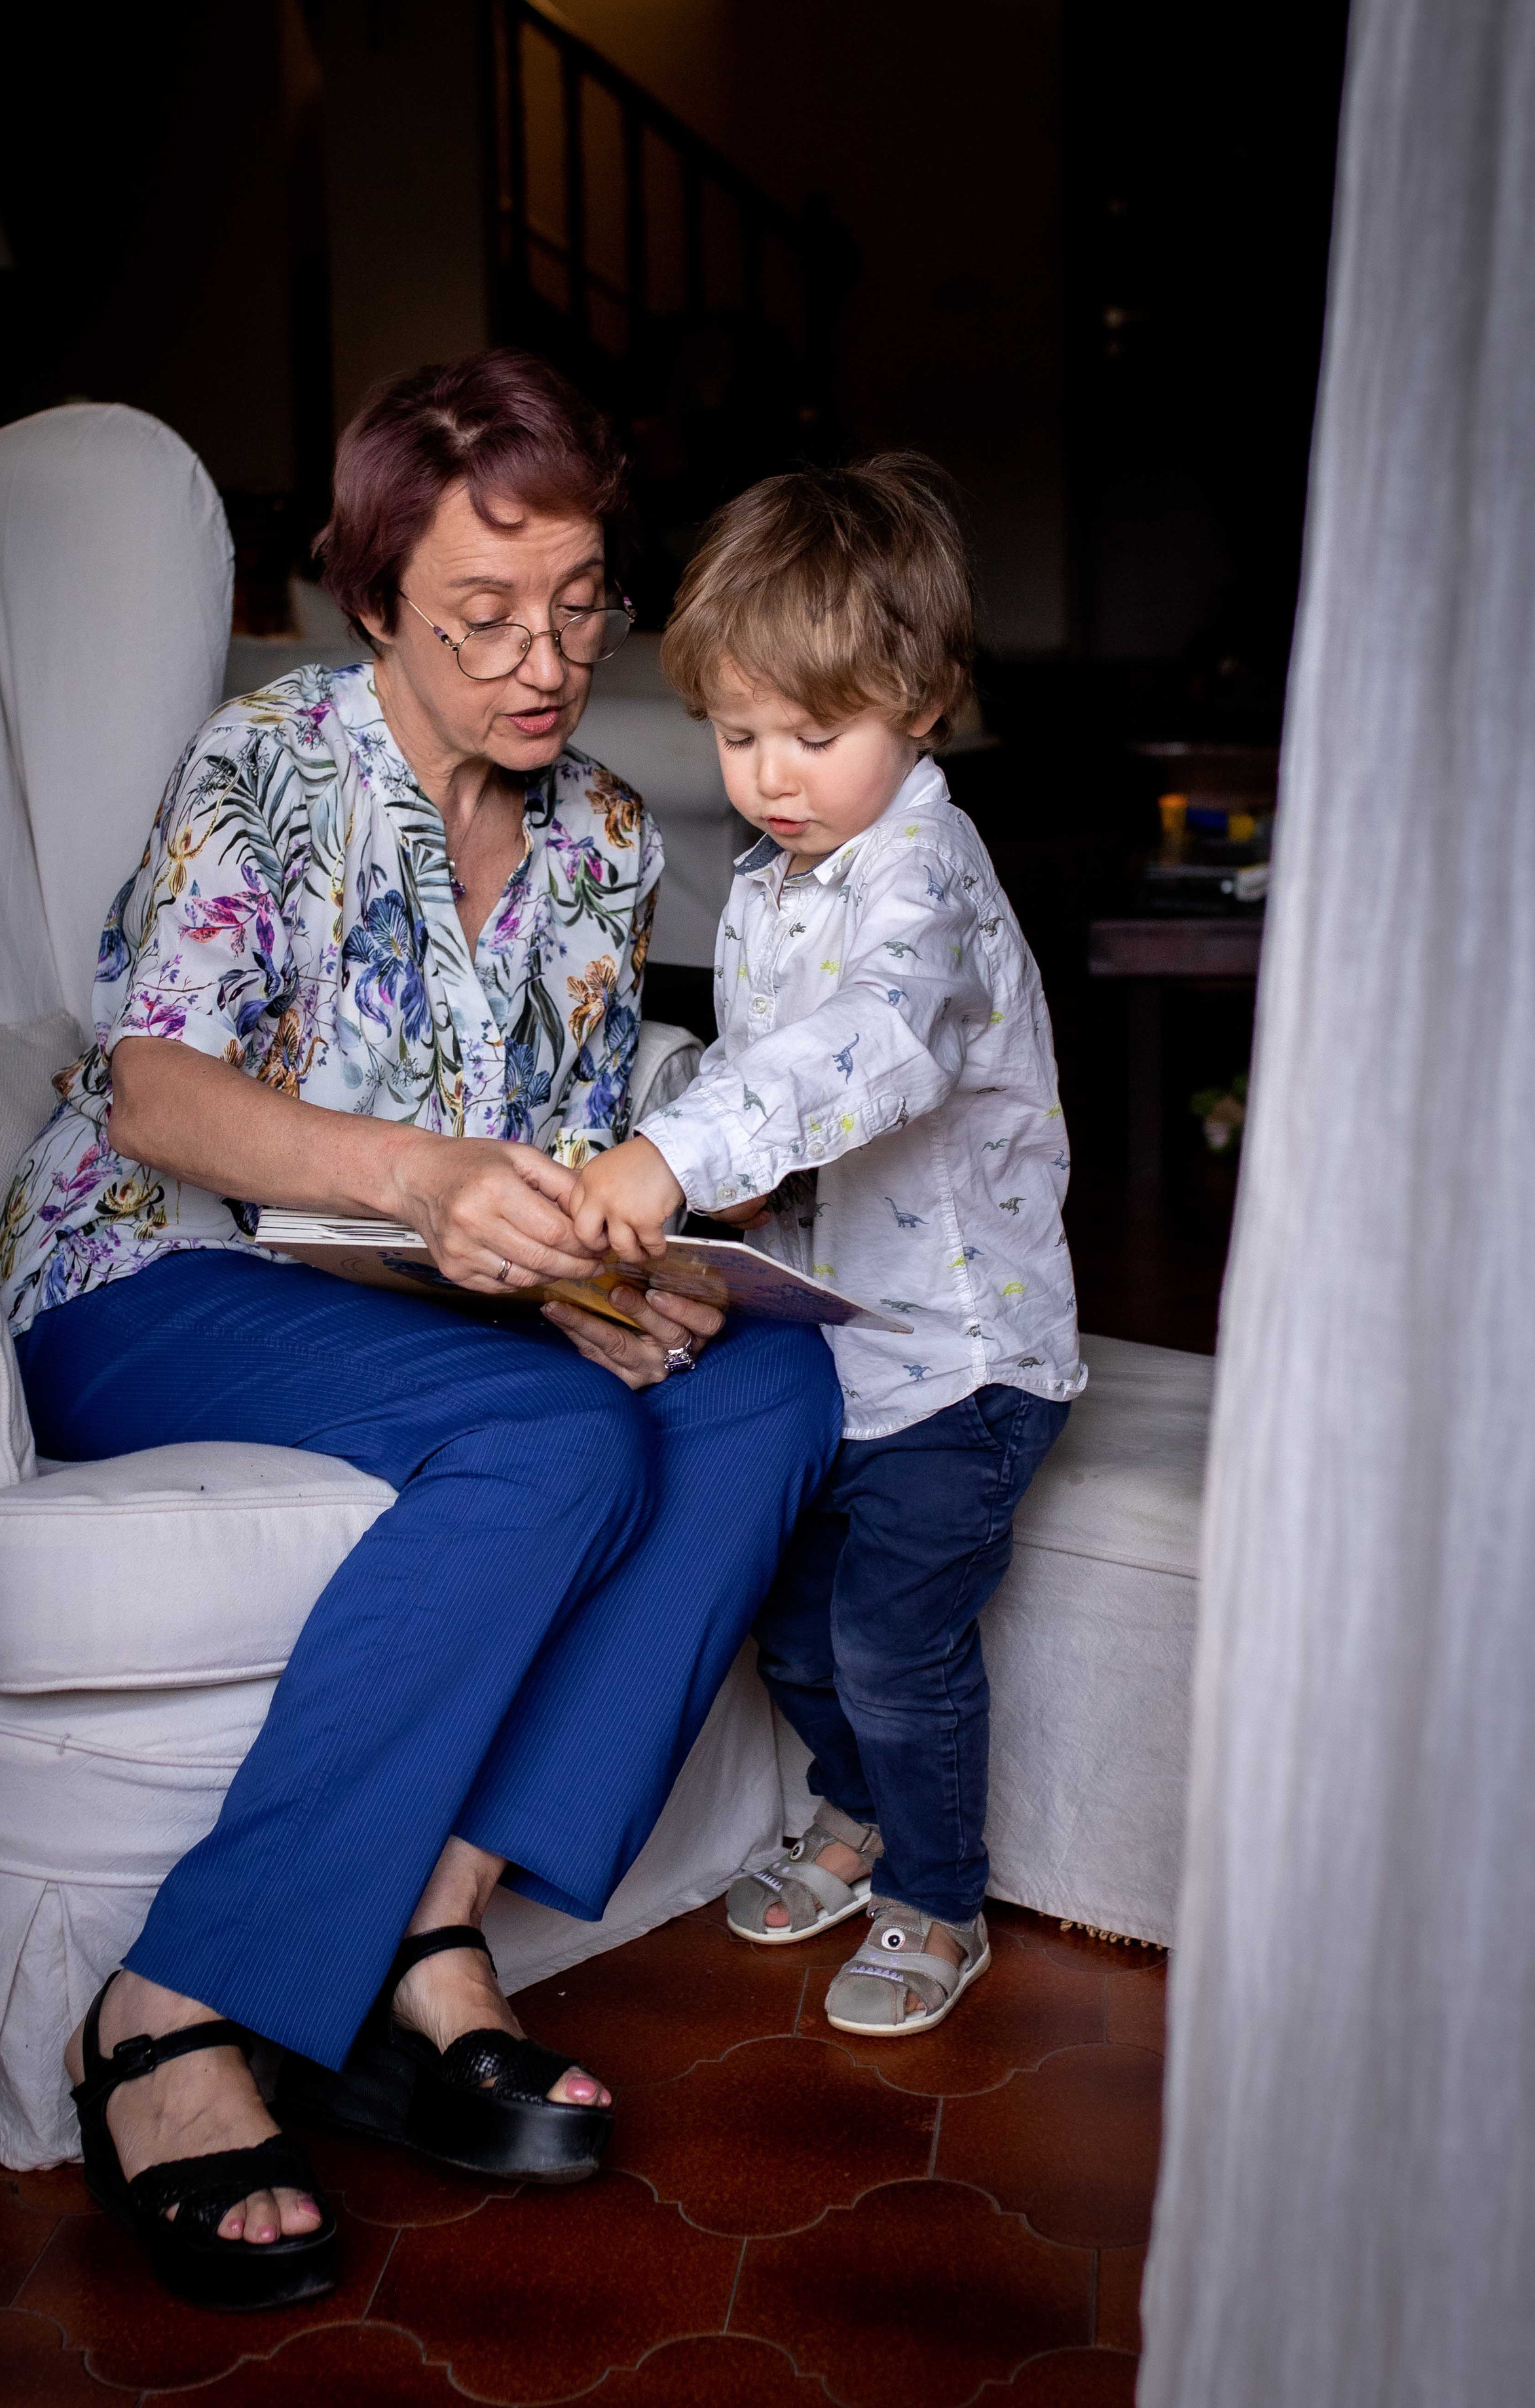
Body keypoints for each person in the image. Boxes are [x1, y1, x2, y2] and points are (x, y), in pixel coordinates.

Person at [0, 350, 841, 2309]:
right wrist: (427, 1182)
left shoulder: (611, 840)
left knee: (773, 1379)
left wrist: (612, 1261)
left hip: (410, 1309)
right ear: (374, 604)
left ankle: (430, 1928)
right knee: (558, 1442)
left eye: (577, 605)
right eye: (481, 618)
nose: (544, 661)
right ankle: (171, 2000)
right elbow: (155, 1099)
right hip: (151, 1276)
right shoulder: (266, 762)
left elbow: (561, 1155)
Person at [570, 453, 1085, 2041]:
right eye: (735, 737)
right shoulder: (769, 878)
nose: (772, 775)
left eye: (814, 733)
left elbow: (871, 1050)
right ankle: (852, 1822)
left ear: (920, 705)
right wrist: (697, 1155)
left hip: (963, 1356)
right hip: (837, 1339)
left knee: (889, 1632)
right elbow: (751, 1070)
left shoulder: (924, 875)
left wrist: (676, 1154)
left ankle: (936, 1894)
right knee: (789, 1614)